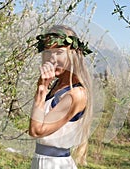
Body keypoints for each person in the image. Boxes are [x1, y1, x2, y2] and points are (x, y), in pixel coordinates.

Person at [29, 25, 93, 169]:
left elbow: (36, 131)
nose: (52, 58)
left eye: (59, 52)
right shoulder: (57, 85)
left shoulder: (76, 94)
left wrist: (41, 88)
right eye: (47, 51)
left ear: (73, 54)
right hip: (41, 162)